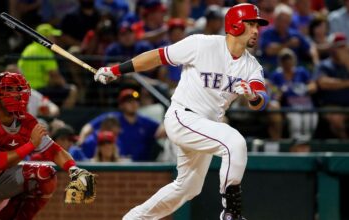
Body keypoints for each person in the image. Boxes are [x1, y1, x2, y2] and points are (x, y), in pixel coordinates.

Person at [93, 3, 270, 220]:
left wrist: (253, 96)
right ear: (235, 24)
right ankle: (231, 212)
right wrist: (116, 70)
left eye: (257, 26)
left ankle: (134, 218)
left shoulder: (252, 65)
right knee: (234, 142)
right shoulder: (201, 44)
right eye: (251, 24)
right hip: (183, 116)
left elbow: (261, 100)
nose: (256, 30)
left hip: (207, 127)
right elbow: (158, 56)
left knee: (187, 188)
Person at [0, 72, 95, 219]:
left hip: (2, 179)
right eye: (11, 90)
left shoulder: (27, 121)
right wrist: (31, 145)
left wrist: (74, 170)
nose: (18, 95)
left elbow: (53, 150)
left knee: (46, 174)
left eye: (20, 90)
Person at [79, 89, 161, 161]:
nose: (133, 103)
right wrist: (81, 140)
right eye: (129, 101)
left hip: (142, 166)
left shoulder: (144, 121)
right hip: (119, 163)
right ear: (121, 105)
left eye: (135, 101)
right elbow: (88, 127)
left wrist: (163, 128)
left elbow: (162, 126)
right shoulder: (113, 119)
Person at [18, 23, 78, 108]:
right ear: (45, 37)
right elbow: (55, 76)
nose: (55, 39)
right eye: (52, 36)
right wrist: (64, 85)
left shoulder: (28, 49)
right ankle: (63, 117)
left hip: (24, 90)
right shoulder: (45, 51)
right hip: (39, 91)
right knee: (72, 90)